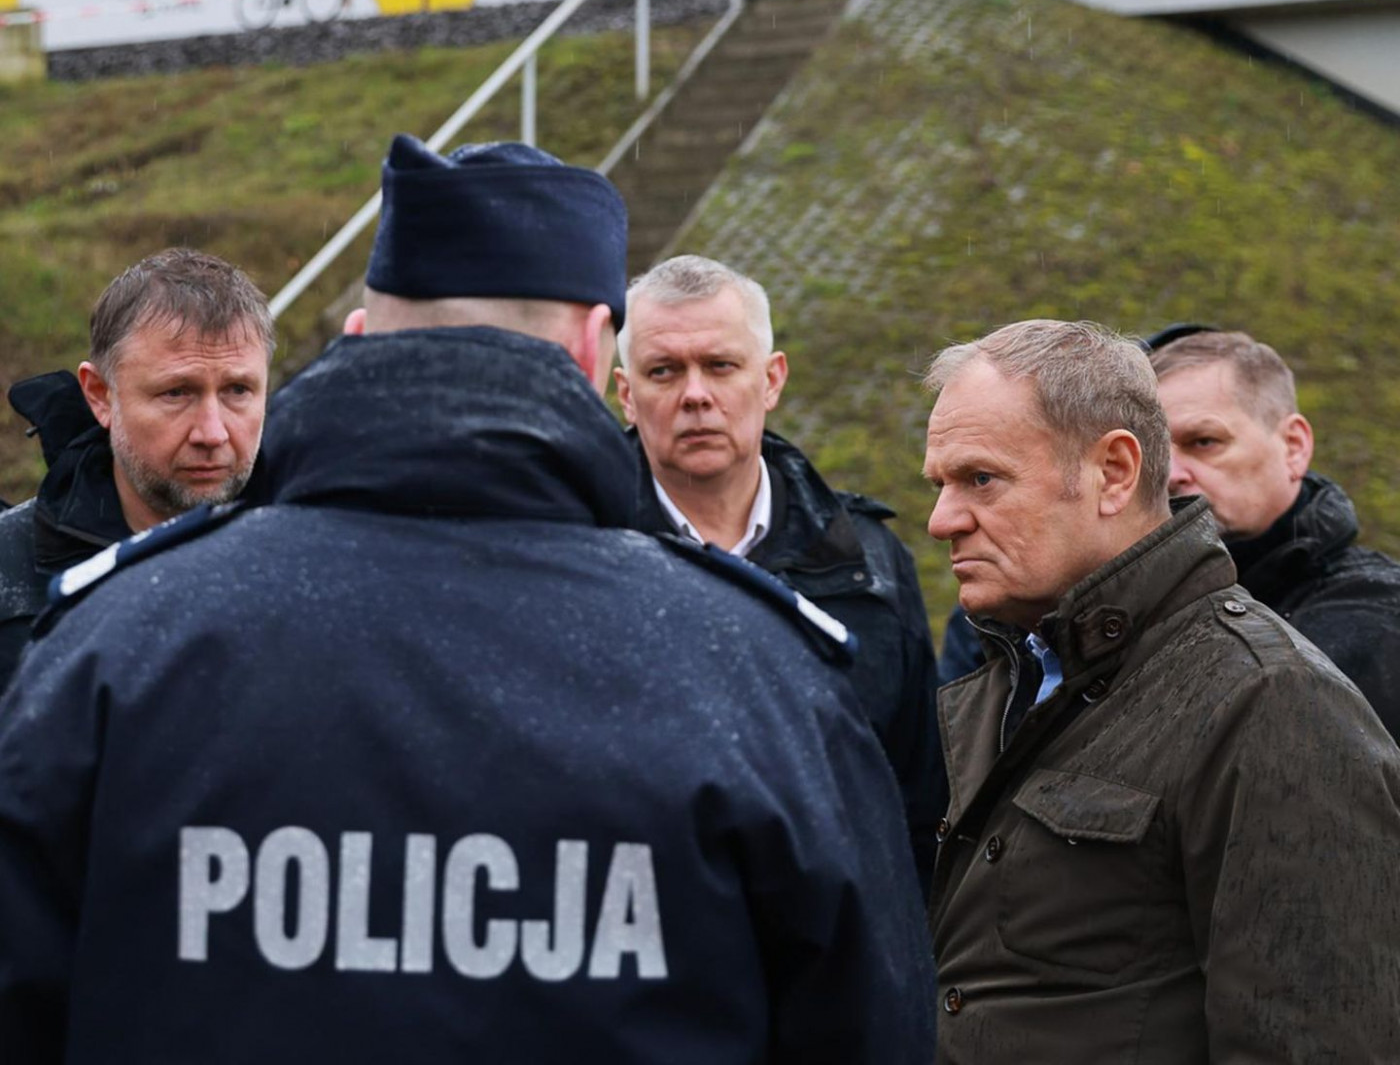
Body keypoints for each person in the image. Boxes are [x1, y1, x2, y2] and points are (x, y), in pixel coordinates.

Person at [0, 137, 934, 1064]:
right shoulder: (757, 672)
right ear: (589, 351)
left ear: (362, 338)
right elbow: (871, 1025)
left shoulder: (115, 646)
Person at [922, 319, 1400, 1061]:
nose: (940, 519)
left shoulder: (1274, 702)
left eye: (981, 478)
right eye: (940, 484)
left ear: (1114, 472)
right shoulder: (1017, 676)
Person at [615, 255, 944, 899]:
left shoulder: (869, 563)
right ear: (627, 395)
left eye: (720, 366)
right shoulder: (575, 553)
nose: (695, 395)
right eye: (664, 371)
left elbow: (917, 798)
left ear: (770, 380)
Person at [0, 248, 272, 695]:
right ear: (101, 396)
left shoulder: (327, 565)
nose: (212, 432)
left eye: (238, 390)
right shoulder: (10, 578)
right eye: (176, 392)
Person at [1148, 325, 1400, 740]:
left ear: (1294, 446)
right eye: (1155, 452)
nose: (1171, 475)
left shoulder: (1378, 625)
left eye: (1204, 441)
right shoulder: (1123, 614)